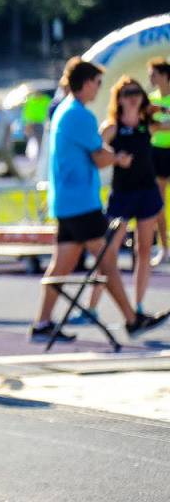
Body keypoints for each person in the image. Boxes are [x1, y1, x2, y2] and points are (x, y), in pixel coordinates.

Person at [29, 58, 167, 342]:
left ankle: (41, 324)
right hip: (81, 201)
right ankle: (132, 319)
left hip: (67, 200)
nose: (98, 89)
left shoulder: (64, 111)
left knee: (62, 265)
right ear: (87, 82)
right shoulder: (80, 115)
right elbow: (100, 156)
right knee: (107, 261)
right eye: (97, 83)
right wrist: (118, 157)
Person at [74, 76, 168, 322]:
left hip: (147, 192)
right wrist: (115, 158)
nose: (133, 96)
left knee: (144, 249)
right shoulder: (112, 127)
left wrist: (161, 108)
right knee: (109, 251)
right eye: (127, 93)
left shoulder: (149, 124)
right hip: (123, 195)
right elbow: (94, 150)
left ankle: (138, 306)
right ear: (119, 99)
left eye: (137, 92)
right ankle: (91, 307)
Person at [147, 57, 170, 265]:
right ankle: (164, 248)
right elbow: (150, 127)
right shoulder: (151, 100)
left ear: (164, 75)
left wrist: (160, 125)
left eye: (153, 74)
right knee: (158, 203)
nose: (150, 78)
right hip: (158, 153)